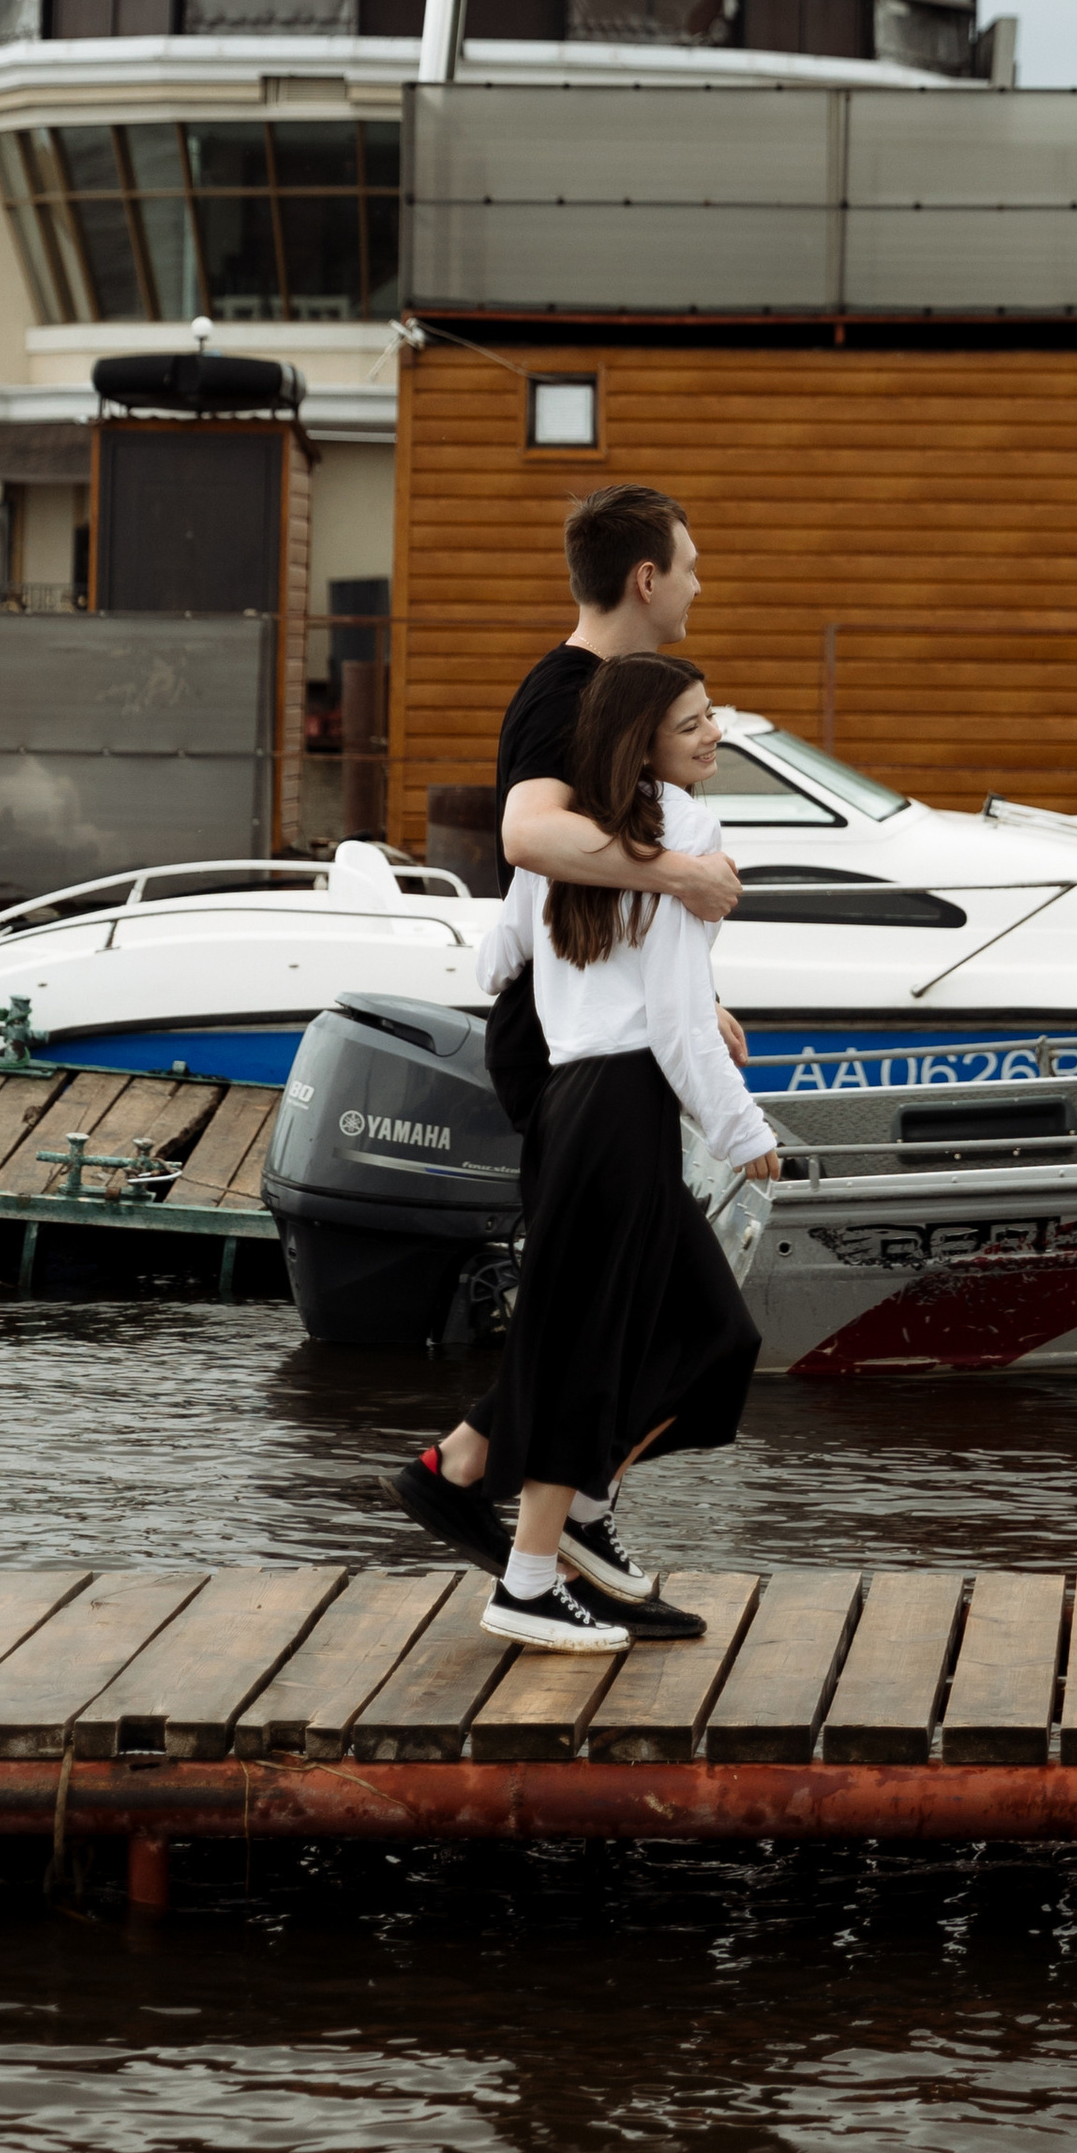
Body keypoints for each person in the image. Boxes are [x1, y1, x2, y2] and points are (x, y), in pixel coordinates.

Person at [391, 485, 746, 1604]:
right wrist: (686, 875)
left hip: (599, 1033)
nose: (697, 583)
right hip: (567, 1054)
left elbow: (592, 892)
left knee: (679, 1321)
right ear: (646, 579)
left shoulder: (611, 695)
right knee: (606, 1305)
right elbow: (528, 836)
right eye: (688, 565)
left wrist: (692, 993)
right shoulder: (570, 694)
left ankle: (492, 1477)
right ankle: (536, 1530)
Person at [459, 650, 779, 1653]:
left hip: (571, 1093)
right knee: (591, 1348)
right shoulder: (683, 831)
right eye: (691, 724)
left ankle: (580, 1520)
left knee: (651, 1337)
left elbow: (497, 951)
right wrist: (744, 1135)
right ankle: (524, 1580)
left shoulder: (570, 843)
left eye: (710, 717)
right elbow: (681, 1023)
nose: (711, 735)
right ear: (642, 741)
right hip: (628, 1098)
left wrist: (570, 976)